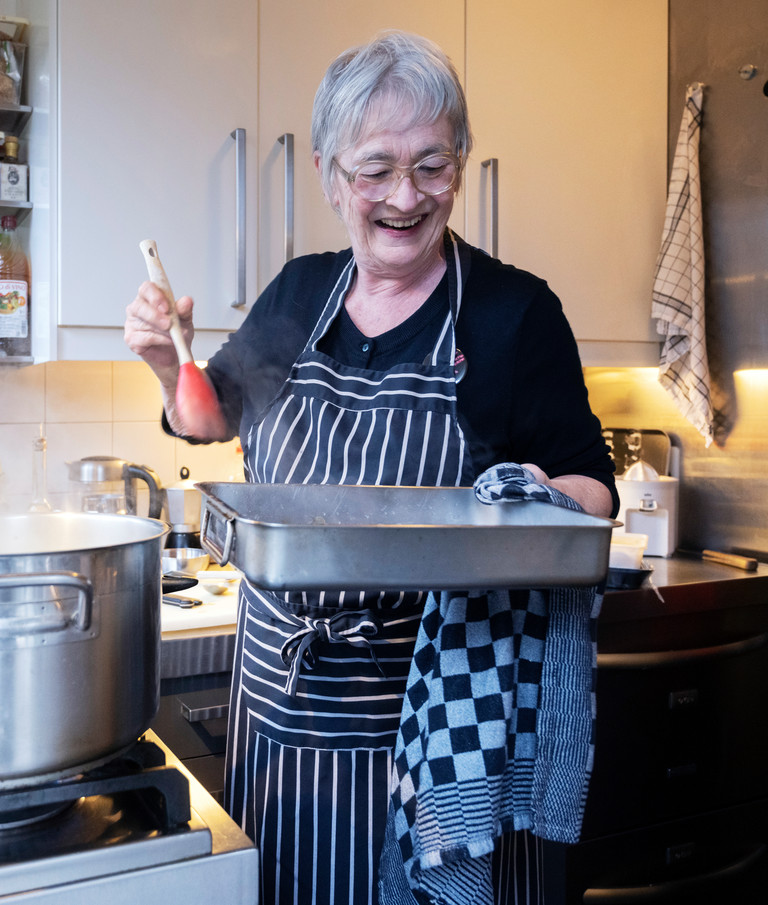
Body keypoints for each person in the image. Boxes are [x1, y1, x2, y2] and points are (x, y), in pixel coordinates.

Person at [124, 30, 617, 905]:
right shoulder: (297, 292)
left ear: (462, 164)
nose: (405, 196)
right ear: (327, 172)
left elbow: (593, 490)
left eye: (433, 166)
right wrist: (171, 365)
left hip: (447, 730)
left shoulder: (515, 314)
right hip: (283, 728)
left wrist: (526, 503)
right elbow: (213, 417)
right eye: (376, 169)